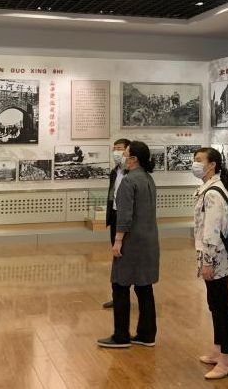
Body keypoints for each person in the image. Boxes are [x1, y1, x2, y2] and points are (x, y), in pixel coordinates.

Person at [97, 141, 159, 348]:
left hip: (131, 242)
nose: (122, 156)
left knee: (120, 285)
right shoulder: (148, 179)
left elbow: (124, 216)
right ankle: (147, 334)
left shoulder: (129, 180)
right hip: (148, 240)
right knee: (144, 287)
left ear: (133, 159)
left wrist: (118, 241)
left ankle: (121, 335)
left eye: (125, 154)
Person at [192, 147, 228, 380]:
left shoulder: (213, 193)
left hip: (215, 257)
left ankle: (227, 359)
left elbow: (211, 230)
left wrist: (207, 262)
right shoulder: (211, 188)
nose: (195, 164)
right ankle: (218, 349)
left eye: (199, 160)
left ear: (212, 165)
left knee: (220, 307)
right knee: (215, 304)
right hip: (213, 256)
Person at [102, 138, 131, 309]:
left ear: (128, 151)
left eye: (119, 148)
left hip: (127, 218)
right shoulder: (115, 172)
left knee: (127, 256)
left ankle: (128, 294)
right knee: (116, 255)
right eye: (114, 149)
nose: (116, 152)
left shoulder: (132, 173)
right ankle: (118, 296)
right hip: (115, 215)